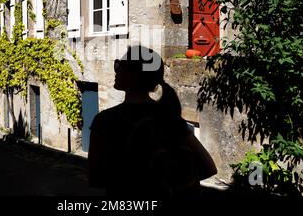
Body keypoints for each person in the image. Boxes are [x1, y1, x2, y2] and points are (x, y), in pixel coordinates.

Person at [88, 46, 217, 197]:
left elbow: (95, 179)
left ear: (134, 74)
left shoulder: (105, 120)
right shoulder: (169, 117)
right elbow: (209, 167)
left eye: (119, 65)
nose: (116, 70)